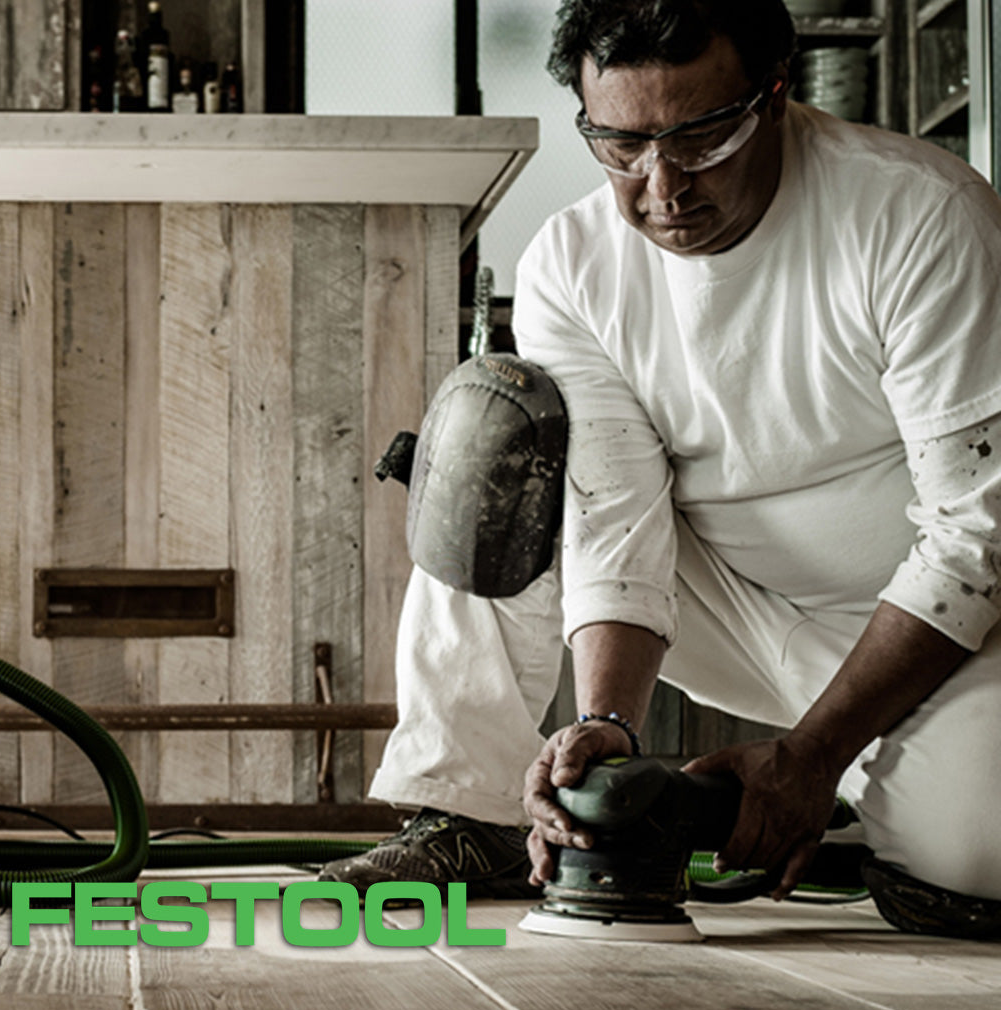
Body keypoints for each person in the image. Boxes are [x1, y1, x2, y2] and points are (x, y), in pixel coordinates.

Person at [320, 0, 1001, 931]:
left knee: (972, 865)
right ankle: (470, 813)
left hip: (930, 631)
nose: (662, 186)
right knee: (493, 428)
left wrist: (813, 754)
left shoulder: (920, 214)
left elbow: (977, 533)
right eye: (622, 145)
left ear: (774, 94)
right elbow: (614, 511)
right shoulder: (573, 261)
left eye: (703, 137)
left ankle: (857, 803)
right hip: (727, 601)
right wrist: (608, 729)